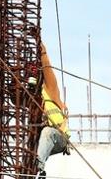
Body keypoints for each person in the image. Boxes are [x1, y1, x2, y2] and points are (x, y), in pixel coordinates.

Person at [35, 45, 71, 178]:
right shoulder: (33, 98)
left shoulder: (50, 90)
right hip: (44, 142)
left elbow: (47, 68)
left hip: (59, 137)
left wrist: (42, 49)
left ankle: (39, 166)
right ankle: (35, 170)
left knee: (47, 132)